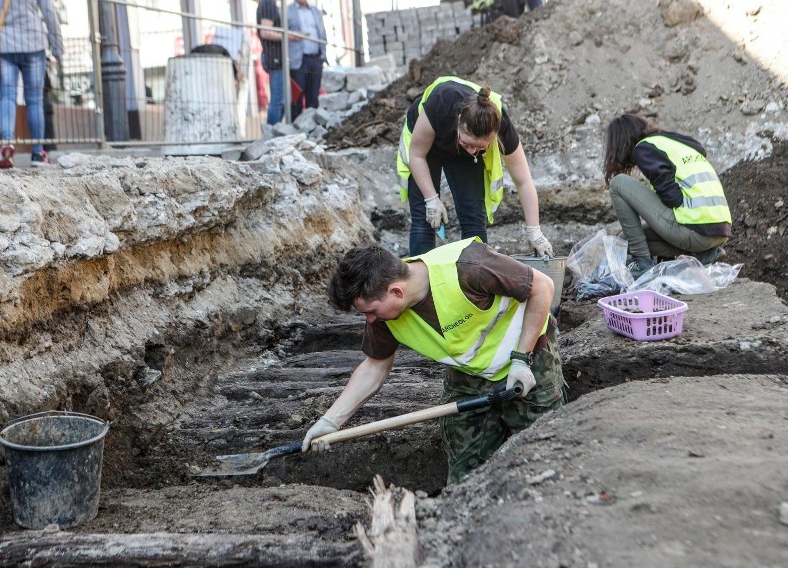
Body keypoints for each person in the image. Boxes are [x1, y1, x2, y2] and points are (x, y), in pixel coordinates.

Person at [302, 237, 566, 484]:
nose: (369, 320)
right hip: (468, 374)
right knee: (466, 472)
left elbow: (542, 286)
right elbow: (374, 366)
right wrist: (331, 421)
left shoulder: (468, 266)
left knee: (542, 456)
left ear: (395, 291)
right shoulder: (385, 316)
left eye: (370, 311)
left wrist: (521, 358)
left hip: (530, 359)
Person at [397, 76, 554, 257]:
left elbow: (524, 181)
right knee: (424, 219)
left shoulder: (501, 124)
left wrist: (534, 231)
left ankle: (475, 279)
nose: (473, 151)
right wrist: (431, 198)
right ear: (458, 123)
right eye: (468, 144)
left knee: (473, 218)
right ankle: (420, 282)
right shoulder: (440, 104)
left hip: (459, 154)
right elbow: (416, 155)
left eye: (480, 147)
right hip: (426, 146)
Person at [603, 114, 732, 279]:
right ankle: (703, 256)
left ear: (621, 140)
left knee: (618, 183)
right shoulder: (677, 145)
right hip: (719, 233)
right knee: (624, 240)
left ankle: (642, 263)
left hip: (694, 230)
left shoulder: (644, 148)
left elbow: (673, 198)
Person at [0, 0, 63, 168]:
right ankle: (38, 152)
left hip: (3, 45)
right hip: (34, 43)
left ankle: (6, 143)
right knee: (35, 100)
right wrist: (57, 47)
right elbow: (49, 11)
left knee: (7, 96)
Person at [255, 0, 302, 125]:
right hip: (275, 58)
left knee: (282, 100)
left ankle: (274, 132)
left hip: (277, 58)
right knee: (278, 100)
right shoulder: (267, 4)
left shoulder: (269, 4)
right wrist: (290, 36)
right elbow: (265, 32)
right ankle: (271, 134)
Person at [288, 0, 326, 121]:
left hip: (315, 59)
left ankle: (313, 131)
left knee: (313, 97)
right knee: (297, 98)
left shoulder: (316, 11)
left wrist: (322, 56)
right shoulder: (288, 11)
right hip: (298, 61)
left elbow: (322, 33)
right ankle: (295, 129)